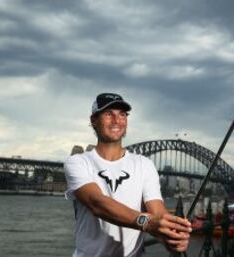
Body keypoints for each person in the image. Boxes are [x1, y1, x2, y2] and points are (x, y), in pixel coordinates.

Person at [64, 93, 191, 257]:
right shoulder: (78, 162)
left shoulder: (144, 164)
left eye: (122, 114)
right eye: (108, 114)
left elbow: (158, 213)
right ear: (94, 120)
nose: (116, 120)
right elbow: (97, 203)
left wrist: (170, 234)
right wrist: (147, 222)